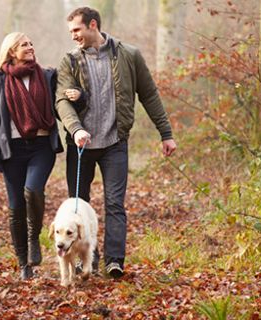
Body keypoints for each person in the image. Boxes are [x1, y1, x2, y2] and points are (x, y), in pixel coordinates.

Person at [55, 7, 177, 278]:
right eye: (71, 32)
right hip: (81, 146)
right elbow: (61, 101)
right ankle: (82, 262)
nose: (73, 36)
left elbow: (149, 95)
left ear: (93, 25)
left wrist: (165, 133)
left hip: (114, 143)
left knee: (114, 204)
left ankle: (114, 262)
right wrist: (75, 130)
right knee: (78, 205)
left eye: (77, 30)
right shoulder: (70, 61)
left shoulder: (128, 55)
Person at [0, 32, 63, 280]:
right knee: (16, 207)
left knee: (33, 190)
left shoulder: (47, 76)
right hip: (12, 152)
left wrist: (78, 99)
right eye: (24, 45)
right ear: (11, 52)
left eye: (31, 43)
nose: (30, 47)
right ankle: (23, 265)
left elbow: (63, 106)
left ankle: (34, 238)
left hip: (42, 146)